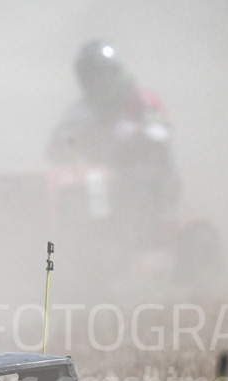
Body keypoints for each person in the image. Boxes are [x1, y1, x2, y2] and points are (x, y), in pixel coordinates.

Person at [48, 39, 180, 240]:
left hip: (150, 174)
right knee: (86, 180)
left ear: (112, 73)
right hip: (104, 173)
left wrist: (135, 132)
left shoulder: (140, 99)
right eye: (89, 76)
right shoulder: (82, 108)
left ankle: (132, 237)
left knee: (130, 180)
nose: (95, 82)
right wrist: (66, 142)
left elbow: (162, 129)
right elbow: (60, 139)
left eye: (99, 75)